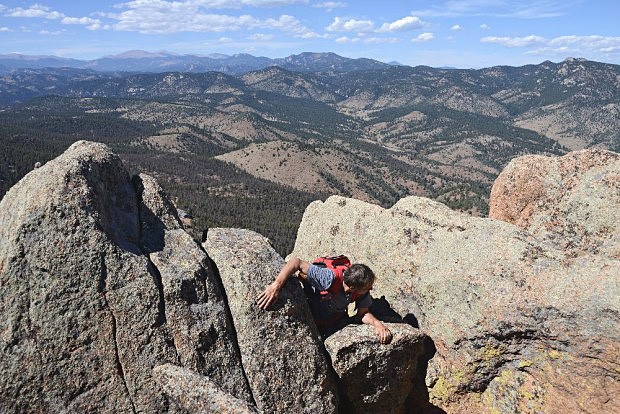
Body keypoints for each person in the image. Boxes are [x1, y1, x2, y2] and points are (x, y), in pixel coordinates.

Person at [257, 256, 392, 344]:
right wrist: (276, 285)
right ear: (352, 288)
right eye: (368, 287)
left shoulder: (361, 291)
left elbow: (363, 313)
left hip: (331, 320)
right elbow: (296, 262)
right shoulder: (329, 278)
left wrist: (377, 324)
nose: (371, 289)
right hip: (312, 314)